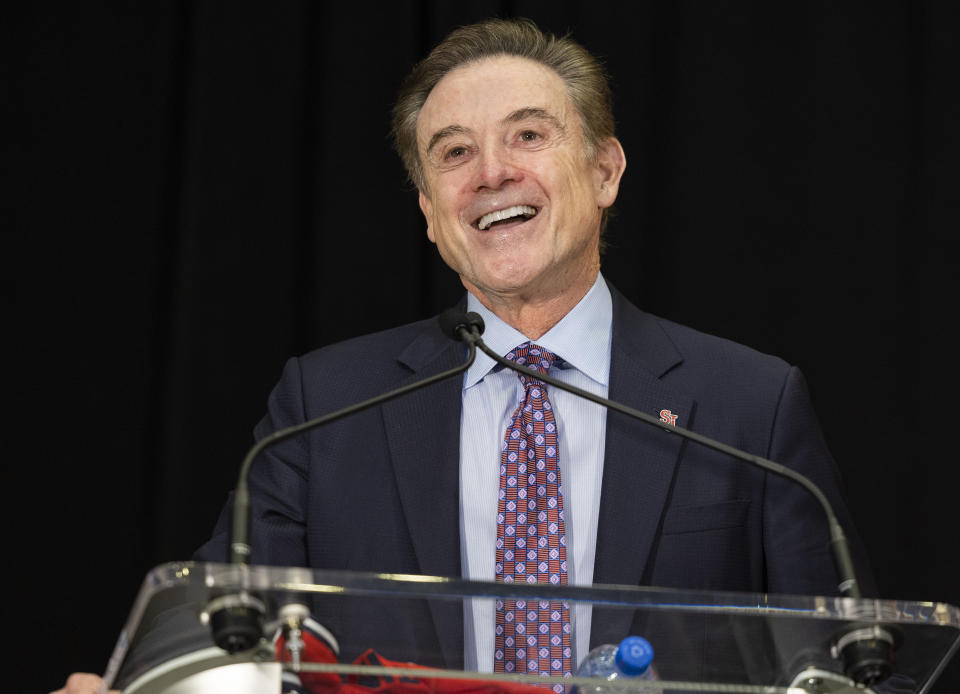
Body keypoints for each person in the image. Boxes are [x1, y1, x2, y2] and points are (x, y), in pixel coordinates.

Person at [54, 17, 873, 694]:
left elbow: (854, 666)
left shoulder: (748, 404)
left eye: (528, 134)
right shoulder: (324, 406)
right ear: (429, 212)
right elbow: (219, 636)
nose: (491, 173)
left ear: (605, 170)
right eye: (453, 153)